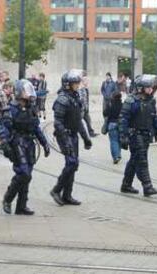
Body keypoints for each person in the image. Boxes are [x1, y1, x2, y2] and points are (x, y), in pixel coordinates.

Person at [1, 80, 50, 215]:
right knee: (23, 173)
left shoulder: (31, 108)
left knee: (28, 175)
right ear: (18, 92)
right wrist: (5, 144)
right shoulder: (10, 109)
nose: (28, 94)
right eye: (25, 91)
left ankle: (21, 206)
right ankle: (8, 198)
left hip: (30, 144)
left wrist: (45, 143)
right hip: (18, 143)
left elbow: (36, 128)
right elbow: (5, 129)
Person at [50, 69, 92, 206]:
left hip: (73, 135)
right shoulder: (62, 99)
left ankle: (67, 195)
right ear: (67, 84)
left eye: (77, 83)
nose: (78, 85)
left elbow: (78, 120)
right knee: (72, 163)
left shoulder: (75, 98)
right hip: (64, 135)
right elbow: (58, 122)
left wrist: (86, 137)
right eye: (75, 83)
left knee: (73, 165)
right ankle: (56, 190)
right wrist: (66, 141)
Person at [119, 75, 157, 196]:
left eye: (151, 87)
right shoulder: (131, 101)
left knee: (134, 160)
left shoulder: (150, 100)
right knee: (142, 160)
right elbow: (123, 119)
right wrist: (123, 136)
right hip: (135, 134)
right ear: (141, 88)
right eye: (148, 87)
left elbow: (154, 118)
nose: (151, 89)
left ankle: (126, 185)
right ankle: (147, 186)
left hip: (146, 135)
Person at [103, 91, 122, 164]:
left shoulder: (111, 105)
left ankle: (116, 156)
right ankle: (118, 154)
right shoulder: (122, 105)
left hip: (112, 124)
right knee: (119, 140)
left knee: (113, 141)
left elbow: (105, 113)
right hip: (120, 124)